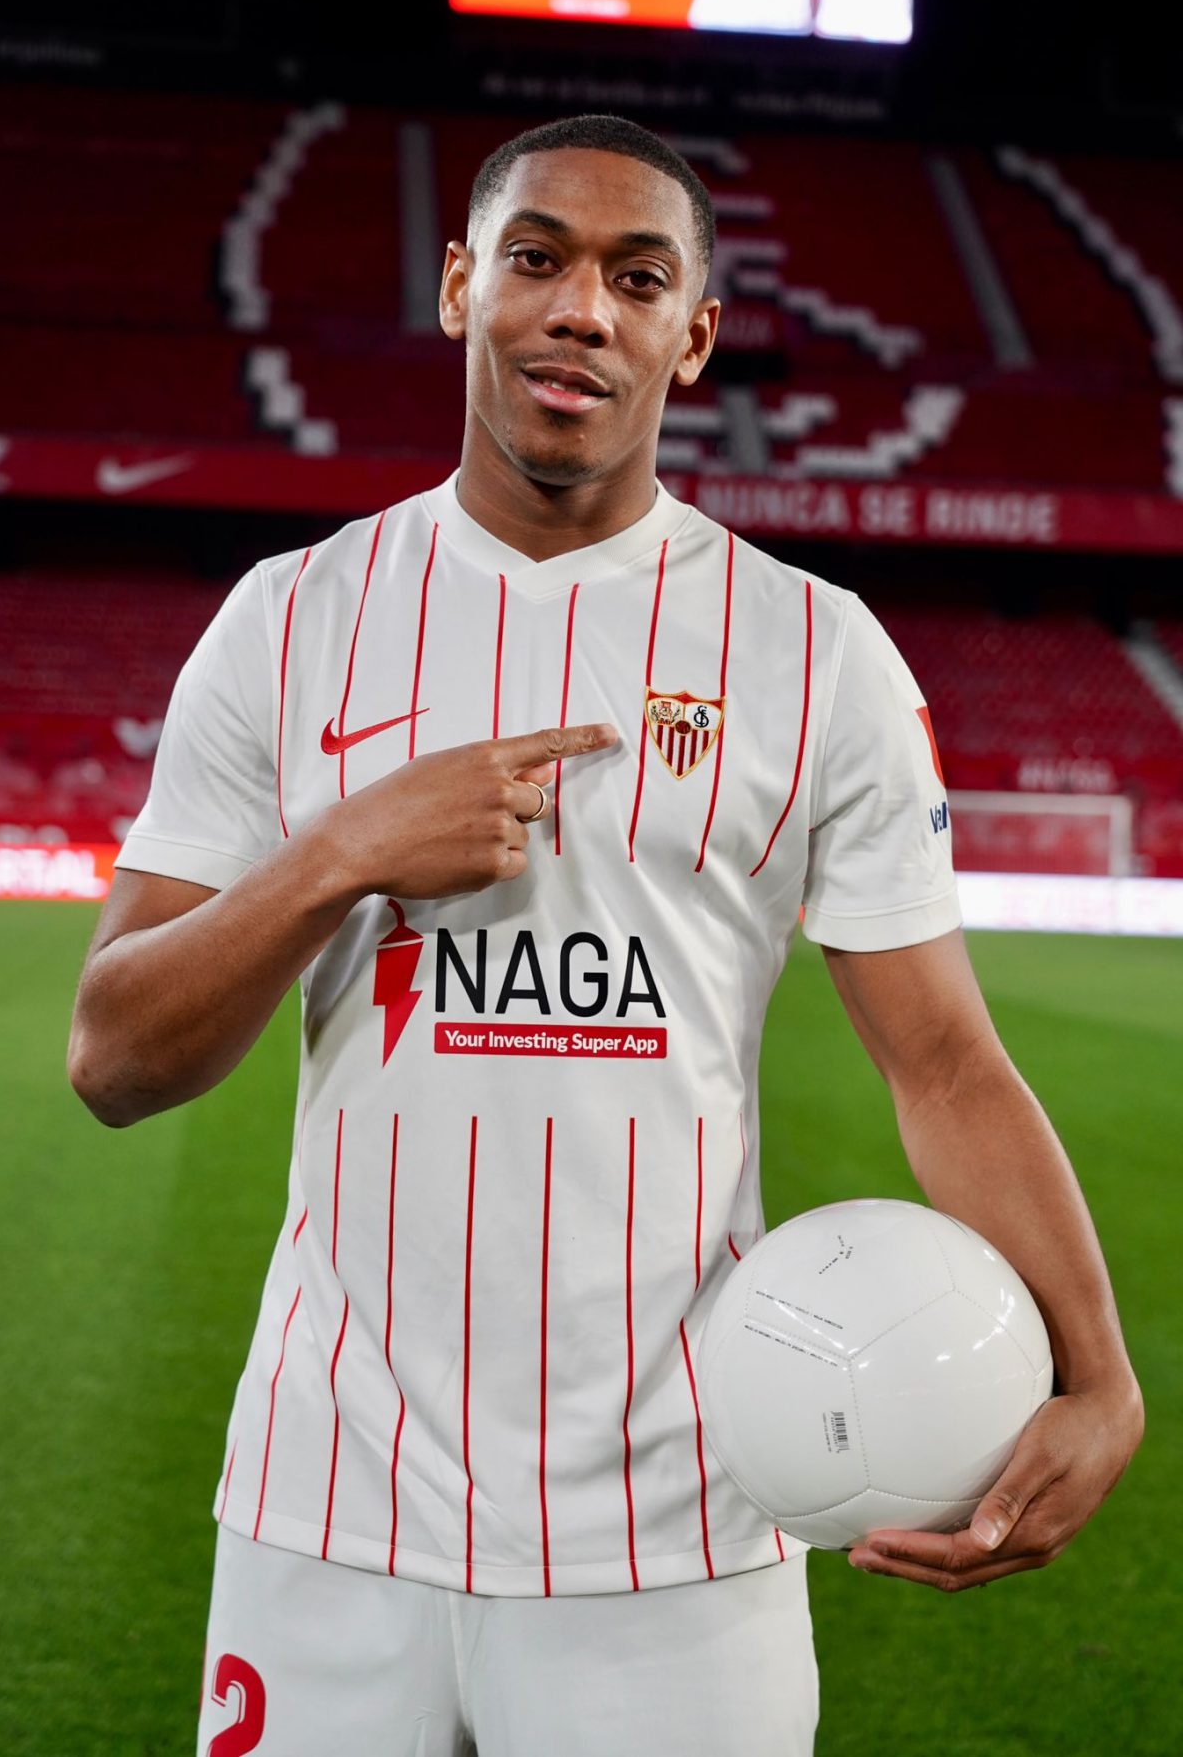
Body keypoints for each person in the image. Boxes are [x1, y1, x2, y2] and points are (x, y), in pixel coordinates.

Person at [68, 115, 1143, 1757]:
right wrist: (341, 852)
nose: (583, 307)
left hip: (681, 1527)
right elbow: (114, 1056)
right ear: (460, 287)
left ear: (692, 336)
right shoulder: (289, 619)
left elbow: (943, 1060)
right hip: (326, 1506)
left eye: (640, 279)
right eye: (538, 258)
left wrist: (1101, 1372)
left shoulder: (816, 653)